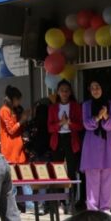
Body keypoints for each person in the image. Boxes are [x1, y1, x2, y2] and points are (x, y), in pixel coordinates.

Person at [79, 81, 111, 213]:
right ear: (89, 90)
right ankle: (92, 209)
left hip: (107, 143)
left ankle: (106, 208)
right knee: (92, 178)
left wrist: (106, 115)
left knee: (107, 176)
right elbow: (86, 124)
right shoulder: (86, 105)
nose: (95, 90)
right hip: (91, 143)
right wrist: (98, 117)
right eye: (92, 88)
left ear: (103, 88)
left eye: (98, 87)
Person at [48, 80, 83, 211]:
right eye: (62, 90)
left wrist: (69, 122)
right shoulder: (52, 108)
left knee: (72, 171)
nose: (64, 93)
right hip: (58, 139)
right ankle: (60, 202)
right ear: (57, 92)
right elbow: (49, 128)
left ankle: (72, 201)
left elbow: (80, 126)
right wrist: (60, 123)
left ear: (70, 92)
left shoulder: (75, 106)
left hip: (71, 139)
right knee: (58, 171)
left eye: (67, 90)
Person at [0, 85, 28, 165]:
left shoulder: (13, 110)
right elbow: (11, 130)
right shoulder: (4, 110)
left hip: (17, 148)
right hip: (10, 150)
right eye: (19, 100)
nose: (19, 103)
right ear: (14, 99)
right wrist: (21, 121)